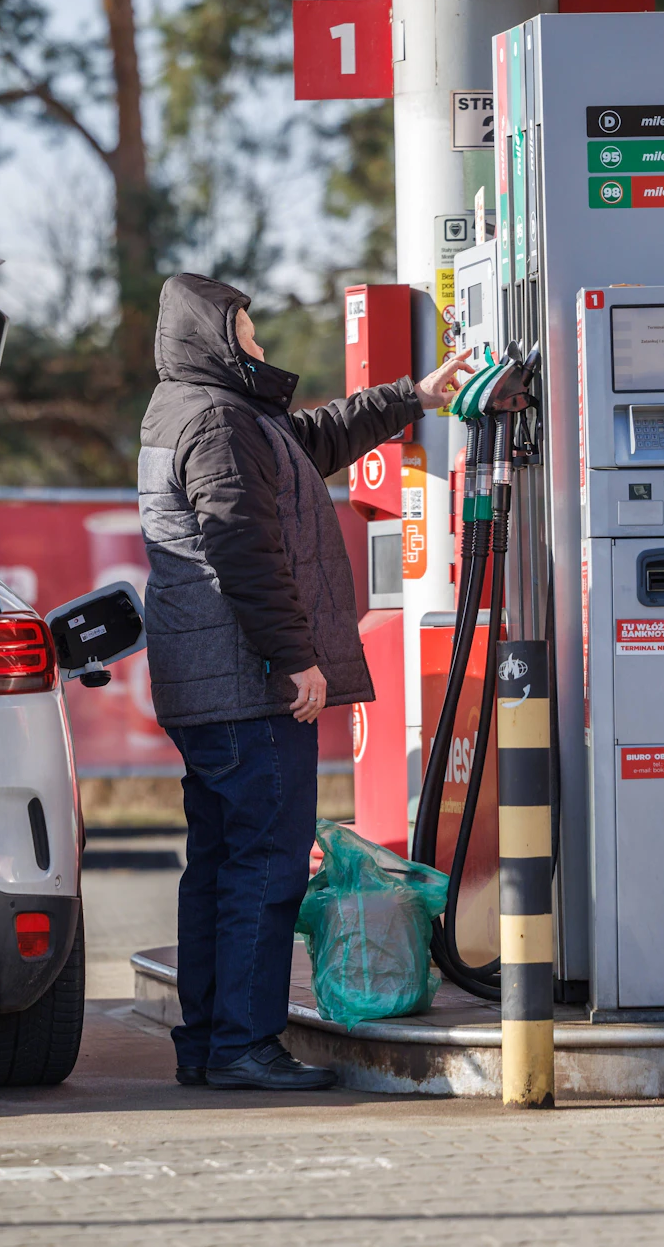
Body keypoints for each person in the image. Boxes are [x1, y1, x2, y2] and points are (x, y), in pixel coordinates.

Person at [138, 273, 472, 1090]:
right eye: (247, 331)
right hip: (244, 683)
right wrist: (294, 660)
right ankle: (245, 1045)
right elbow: (240, 549)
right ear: (215, 337)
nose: (259, 343)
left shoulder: (208, 411)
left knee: (220, 862)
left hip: (210, 681)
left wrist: (414, 396)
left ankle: (212, 1041)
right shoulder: (217, 420)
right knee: (265, 862)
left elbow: (311, 441)